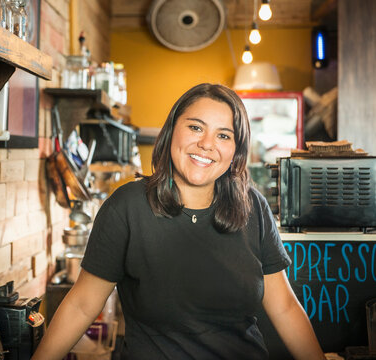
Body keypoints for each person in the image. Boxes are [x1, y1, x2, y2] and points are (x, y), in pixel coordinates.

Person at [33, 83, 325, 359]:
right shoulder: (127, 207)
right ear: (172, 131)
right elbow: (82, 306)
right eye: (196, 127)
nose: (207, 144)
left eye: (224, 135)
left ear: (236, 151)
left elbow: (285, 307)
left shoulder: (253, 207)